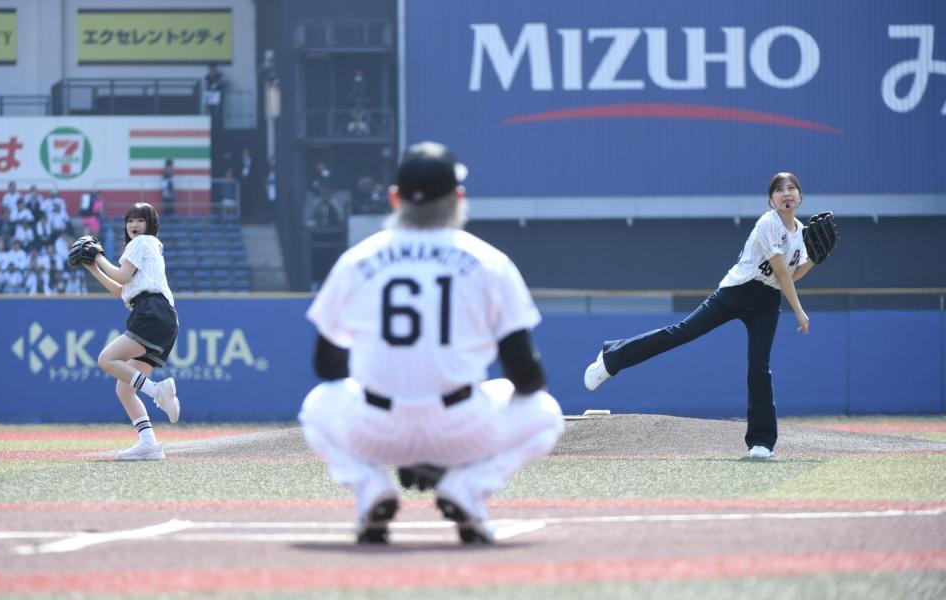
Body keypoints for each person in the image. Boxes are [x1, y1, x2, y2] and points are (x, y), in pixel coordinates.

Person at [298, 141, 564, 545]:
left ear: (393, 198)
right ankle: (469, 487)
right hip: (461, 425)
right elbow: (525, 375)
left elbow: (327, 365)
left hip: (376, 426)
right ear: (458, 197)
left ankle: (372, 490)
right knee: (544, 411)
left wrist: (394, 385)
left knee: (318, 405)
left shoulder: (358, 260)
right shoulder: (489, 261)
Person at [584, 172, 816, 459]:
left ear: (801, 196)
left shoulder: (801, 234)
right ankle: (612, 357)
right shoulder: (767, 223)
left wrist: (815, 259)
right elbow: (781, 272)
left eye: (792, 188)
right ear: (771, 200)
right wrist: (800, 311)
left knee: (759, 367)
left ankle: (761, 441)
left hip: (767, 301)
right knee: (683, 331)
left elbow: (792, 274)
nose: (786, 193)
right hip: (737, 291)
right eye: (779, 190)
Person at [80, 202, 181, 460]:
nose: (134, 225)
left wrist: (98, 255)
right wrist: (92, 266)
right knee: (124, 389)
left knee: (106, 359)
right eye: (130, 221)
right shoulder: (147, 249)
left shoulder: (142, 242)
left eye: (140, 220)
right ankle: (149, 444)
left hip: (151, 311)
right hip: (161, 315)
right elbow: (120, 290)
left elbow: (122, 276)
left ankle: (158, 392)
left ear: (150, 225)